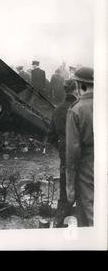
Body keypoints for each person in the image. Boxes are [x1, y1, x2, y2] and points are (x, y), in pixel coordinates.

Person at [66, 66, 94, 227]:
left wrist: (70, 186)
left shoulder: (76, 110)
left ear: (79, 85)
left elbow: (72, 153)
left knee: (91, 216)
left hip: (87, 171)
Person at [47, 79, 77, 227]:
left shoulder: (57, 110)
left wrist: (61, 147)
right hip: (82, 156)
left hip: (65, 154)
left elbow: (51, 136)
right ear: (76, 90)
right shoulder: (79, 108)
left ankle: (59, 225)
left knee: (64, 193)